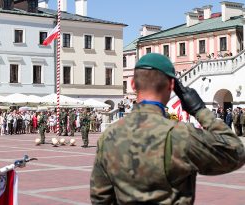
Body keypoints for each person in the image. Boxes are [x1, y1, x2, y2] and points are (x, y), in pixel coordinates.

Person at [90, 53, 245, 204]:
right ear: (171, 85)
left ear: (133, 84)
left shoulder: (109, 135)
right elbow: (236, 152)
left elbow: (100, 197)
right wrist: (200, 110)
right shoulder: (182, 135)